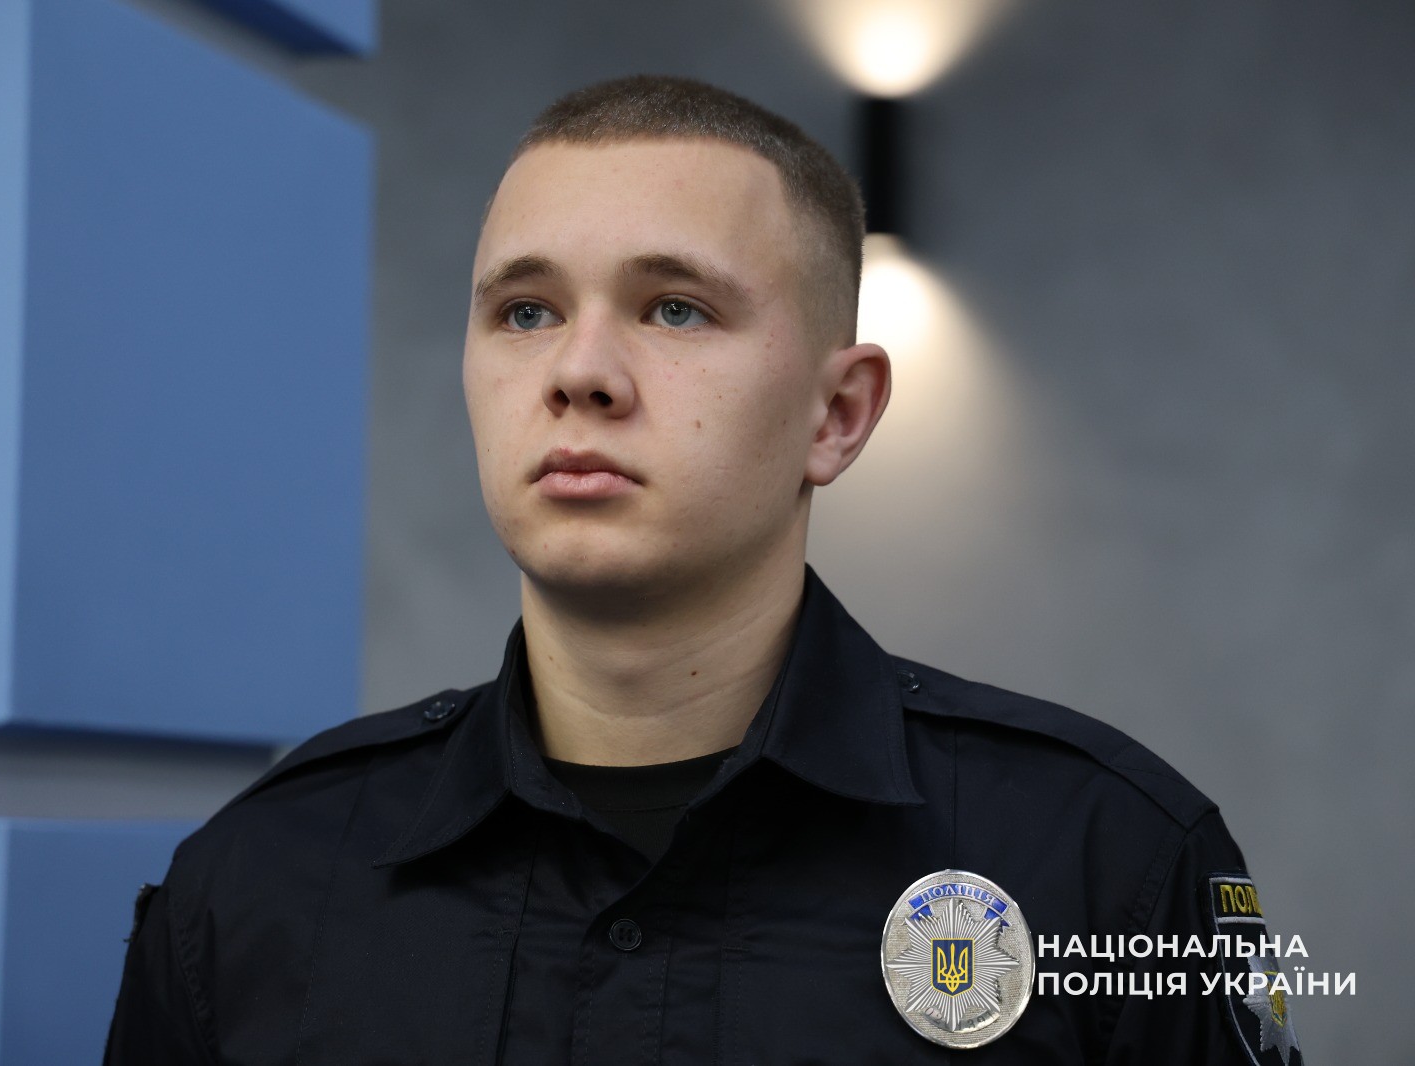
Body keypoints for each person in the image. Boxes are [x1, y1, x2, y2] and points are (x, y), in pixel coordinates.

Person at [104, 75, 1303, 1065]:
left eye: (673, 309)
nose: (578, 372)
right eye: (525, 311)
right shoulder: (259, 880)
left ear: (838, 413)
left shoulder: (1108, 861)